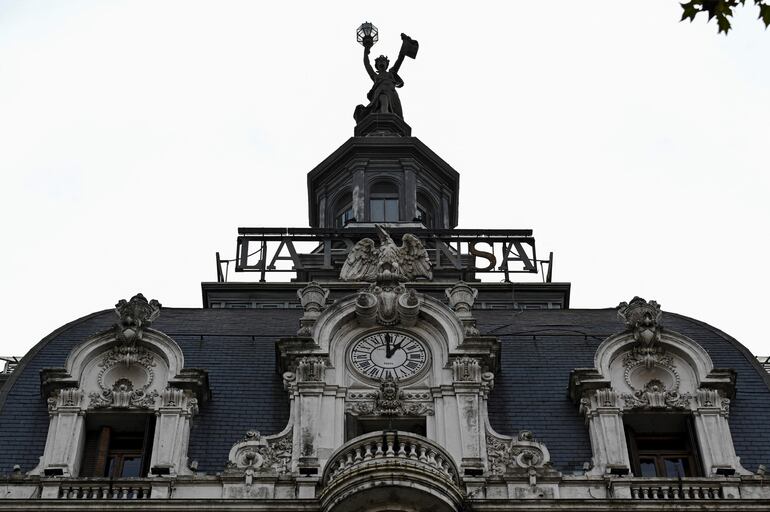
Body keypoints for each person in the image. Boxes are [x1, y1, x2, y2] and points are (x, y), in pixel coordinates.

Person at [354, 35, 407, 122]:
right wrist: (366, 51)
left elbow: (399, 59)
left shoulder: (391, 73)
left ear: (387, 64)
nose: (381, 63)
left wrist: (404, 44)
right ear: (377, 65)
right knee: (383, 99)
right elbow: (367, 64)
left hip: (392, 94)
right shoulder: (375, 76)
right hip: (381, 91)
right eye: (379, 62)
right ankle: (384, 118)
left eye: (383, 61)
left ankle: (387, 120)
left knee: (398, 115)